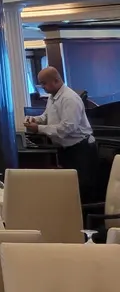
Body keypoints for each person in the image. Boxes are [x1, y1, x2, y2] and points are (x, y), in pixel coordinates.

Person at [25, 67, 97, 196]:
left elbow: (67, 128)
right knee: (69, 187)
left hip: (80, 148)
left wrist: (39, 128)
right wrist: (34, 119)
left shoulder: (69, 99)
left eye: (44, 83)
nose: (42, 87)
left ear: (56, 80)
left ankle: (83, 215)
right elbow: (46, 116)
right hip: (66, 148)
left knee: (81, 188)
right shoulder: (52, 97)